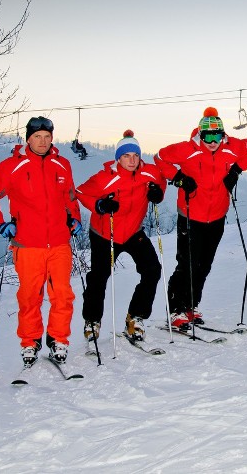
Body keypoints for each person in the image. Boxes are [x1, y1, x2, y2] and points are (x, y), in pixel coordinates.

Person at [0, 116, 83, 366]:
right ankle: (30, 342)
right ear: (28, 139)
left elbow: (70, 197)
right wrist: (0, 224)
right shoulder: (11, 166)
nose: (43, 141)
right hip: (27, 244)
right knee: (29, 297)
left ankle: (59, 340)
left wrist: (75, 218)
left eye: (47, 137)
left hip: (59, 243)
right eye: (37, 137)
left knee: (62, 295)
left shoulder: (62, 164)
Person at [154, 107, 247, 328]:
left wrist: (236, 171)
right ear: (200, 134)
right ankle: (175, 310)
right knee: (187, 263)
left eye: (217, 135)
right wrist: (179, 177)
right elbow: (160, 157)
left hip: (217, 216)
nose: (212, 141)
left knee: (204, 264)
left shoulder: (231, 147)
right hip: (191, 214)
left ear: (223, 135)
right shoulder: (187, 149)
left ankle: (192, 306)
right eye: (208, 136)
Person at [76, 130, 167, 345]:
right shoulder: (105, 177)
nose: (132, 160)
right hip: (105, 234)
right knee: (99, 277)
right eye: (126, 156)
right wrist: (99, 205)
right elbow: (81, 192)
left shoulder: (148, 173)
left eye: (135, 156)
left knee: (152, 270)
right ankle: (92, 321)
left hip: (134, 232)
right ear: (118, 158)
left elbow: (161, 181)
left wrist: (158, 193)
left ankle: (135, 317)